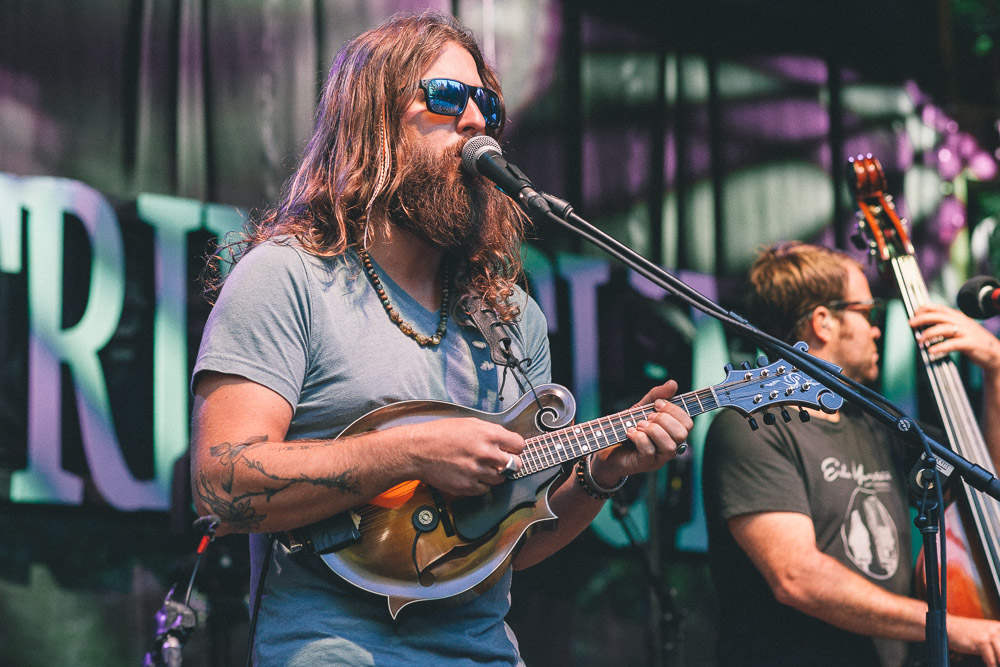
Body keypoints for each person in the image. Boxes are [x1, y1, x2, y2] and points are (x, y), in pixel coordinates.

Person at [189, 11, 692, 666]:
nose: (476, 121)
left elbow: (500, 545)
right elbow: (220, 484)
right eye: (447, 98)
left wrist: (599, 476)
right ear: (372, 118)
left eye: (488, 104)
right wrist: (410, 451)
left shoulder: (511, 318)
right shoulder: (287, 278)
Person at [703, 240, 1000, 666]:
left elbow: (988, 490)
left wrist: (995, 368)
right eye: (868, 313)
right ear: (824, 322)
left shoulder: (880, 426)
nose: (877, 328)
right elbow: (796, 576)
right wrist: (950, 625)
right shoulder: (750, 430)